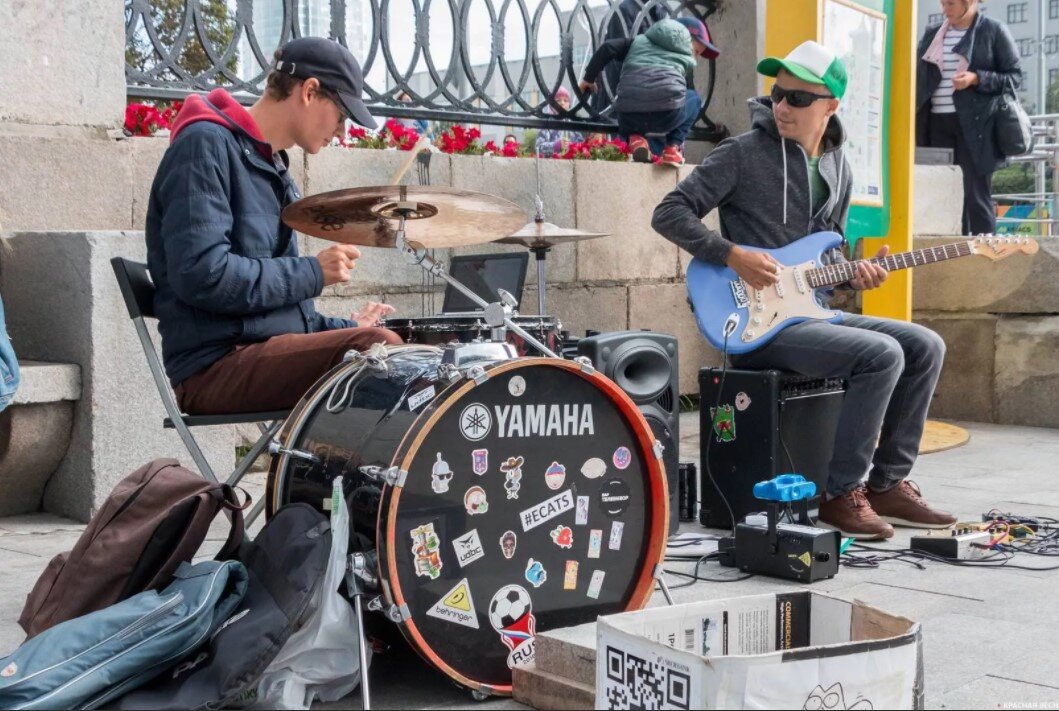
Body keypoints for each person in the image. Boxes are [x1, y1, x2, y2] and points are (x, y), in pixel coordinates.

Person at [652, 41, 956, 540]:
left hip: (808, 314)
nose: (781, 106)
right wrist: (732, 254)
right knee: (881, 355)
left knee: (925, 345)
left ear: (830, 106)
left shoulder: (840, 168)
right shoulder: (742, 154)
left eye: (797, 98)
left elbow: (827, 260)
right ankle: (840, 494)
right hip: (752, 324)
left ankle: (888, 483)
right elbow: (668, 212)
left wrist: (854, 274)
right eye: (777, 94)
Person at [146, 37, 402, 416]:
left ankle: (343, 472)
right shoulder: (204, 146)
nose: (342, 132)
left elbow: (278, 310)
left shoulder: (272, 167)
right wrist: (312, 271)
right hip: (213, 366)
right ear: (310, 91)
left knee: (404, 343)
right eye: (342, 115)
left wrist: (340, 325)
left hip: (254, 351)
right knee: (376, 351)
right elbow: (202, 274)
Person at [916, 0, 1022, 235]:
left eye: (951, 3)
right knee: (942, 195)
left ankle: (986, 260)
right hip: (936, 125)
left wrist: (976, 78)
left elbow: (1014, 77)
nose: (945, 9)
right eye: (943, 3)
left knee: (976, 196)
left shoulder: (993, 30)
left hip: (977, 128)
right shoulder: (933, 35)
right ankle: (951, 258)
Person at [578, 17, 717, 166]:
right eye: (696, 52)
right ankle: (672, 148)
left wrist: (588, 78)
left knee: (636, 102)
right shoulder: (683, 58)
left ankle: (637, 139)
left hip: (629, 116)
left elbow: (607, 48)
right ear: (685, 37)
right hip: (665, 116)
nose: (695, 59)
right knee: (694, 99)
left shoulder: (637, 42)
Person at [534, 87, 585, 158]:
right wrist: (556, 145)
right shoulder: (547, 123)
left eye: (565, 100)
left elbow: (582, 146)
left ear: (569, 105)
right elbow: (538, 148)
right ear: (551, 105)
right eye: (558, 100)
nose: (562, 103)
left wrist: (571, 146)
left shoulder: (573, 124)